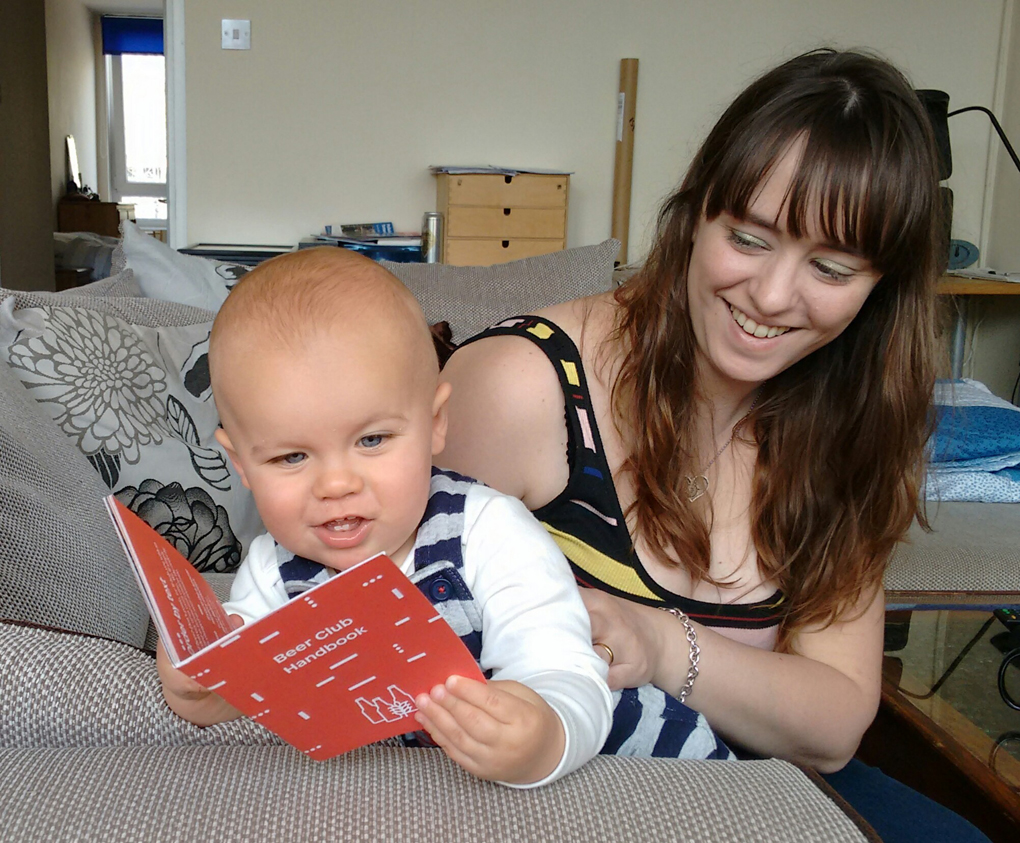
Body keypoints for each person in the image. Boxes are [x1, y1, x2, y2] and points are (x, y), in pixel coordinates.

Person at [438, 48, 990, 841]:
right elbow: (413, 651)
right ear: (698, 212)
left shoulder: (855, 422)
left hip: (762, 779)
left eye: (830, 267)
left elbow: (833, 723)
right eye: (752, 237)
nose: (770, 297)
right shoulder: (521, 385)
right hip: (562, 778)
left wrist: (665, 644)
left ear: (880, 290)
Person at [154, 247, 615, 788]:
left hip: (639, 764)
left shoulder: (490, 531)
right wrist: (199, 688)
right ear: (242, 465)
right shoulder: (272, 571)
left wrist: (541, 737)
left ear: (435, 424)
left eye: (372, 440)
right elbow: (252, 695)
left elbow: (567, 672)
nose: (336, 485)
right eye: (291, 457)